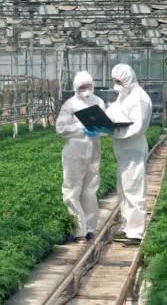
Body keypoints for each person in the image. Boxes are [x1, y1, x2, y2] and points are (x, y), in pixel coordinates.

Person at [105, 64, 152, 246]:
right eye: (115, 81)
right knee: (124, 189)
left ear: (129, 78)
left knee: (134, 189)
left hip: (133, 148)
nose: (117, 84)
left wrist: (114, 131)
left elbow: (137, 127)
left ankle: (136, 233)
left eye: (120, 81)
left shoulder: (139, 98)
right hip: (123, 149)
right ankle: (127, 227)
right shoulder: (123, 96)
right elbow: (113, 112)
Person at [56, 71, 106, 242]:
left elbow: (104, 123)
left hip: (93, 150)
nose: (86, 90)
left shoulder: (98, 101)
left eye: (88, 86)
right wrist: (80, 128)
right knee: (71, 190)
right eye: (82, 87)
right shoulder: (70, 105)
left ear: (93, 85)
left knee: (90, 190)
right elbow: (60, 128)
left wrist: (101, 128)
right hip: (74, 151)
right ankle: (78, 229)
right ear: (76, 88)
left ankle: (90, 228)